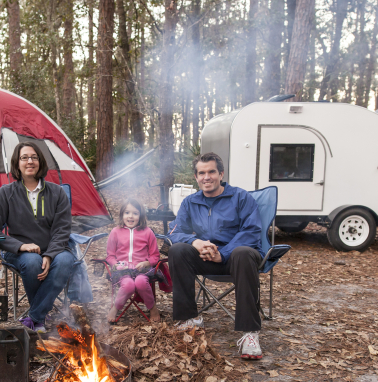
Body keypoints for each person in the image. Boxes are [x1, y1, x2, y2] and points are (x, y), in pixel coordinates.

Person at [168, 152, 266, 360]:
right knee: (177, 250)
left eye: (211, 171)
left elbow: (251, 231)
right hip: (206, 257)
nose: (207, 177)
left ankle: (250, 334)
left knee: (243, 253)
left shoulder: (240, 197)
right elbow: (175, 231)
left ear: (221, 174)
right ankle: (188, 319)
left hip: (236, 259)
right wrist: (196, 243)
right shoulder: (190, 202)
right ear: (196, 177)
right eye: (201, 173)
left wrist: (224, 254)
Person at [0, 141, 74, 333]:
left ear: (40, 162)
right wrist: (20, 246)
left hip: (54, 250)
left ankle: (35, 318)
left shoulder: (57, 193)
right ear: (17, 163)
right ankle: (39, 317)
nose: (29, 161)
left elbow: (62, 229)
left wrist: (49, 255)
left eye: (34, 157)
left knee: (65, 261)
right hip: (20, 253)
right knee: (32, 261)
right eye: (24, 158)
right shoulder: (6, 193)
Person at [106, 199, 161, 323]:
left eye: (135, 213)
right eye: (127, 213)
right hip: (123, 270)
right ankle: (115, 307)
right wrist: (116, 265)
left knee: (141, 282)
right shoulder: (115, 232)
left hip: (142, 269)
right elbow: (110, 256)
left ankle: (152, 308)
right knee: (129, 284)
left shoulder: (147, 232)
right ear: (122, 215)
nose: (130, 216)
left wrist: (146, 263)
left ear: (140, 216)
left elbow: (155, 256)